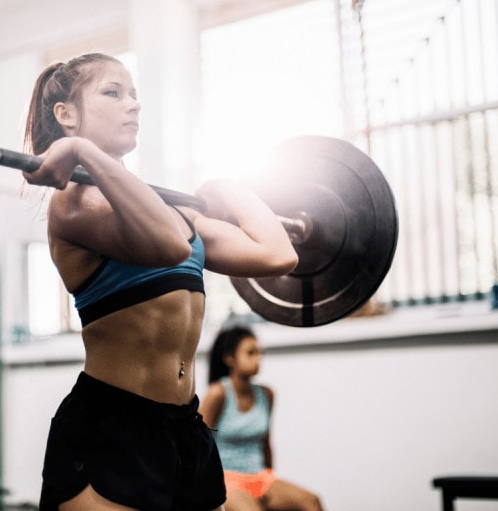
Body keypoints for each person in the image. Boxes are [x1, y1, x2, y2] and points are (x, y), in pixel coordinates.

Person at [21, 52, 299, 511]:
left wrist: (226, 187)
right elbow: (168, 246)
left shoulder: (170, 211)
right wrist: (81, 152)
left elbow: (277, 254)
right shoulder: (73, 205)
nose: (133, 105)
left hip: (183, 427)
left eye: (134, 95)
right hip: (112, 425)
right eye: (113, 93)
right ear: (66, 115)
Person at [200, 326, 324, 511]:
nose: (258, 359)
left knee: (312, 502)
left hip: (260, 477)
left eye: (259, 353)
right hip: (227, 479)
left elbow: (266, 444)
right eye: (250, 353)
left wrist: (271, 478)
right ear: (230, 358)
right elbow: (199, 446)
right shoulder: (218, 393)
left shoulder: (267, 394)